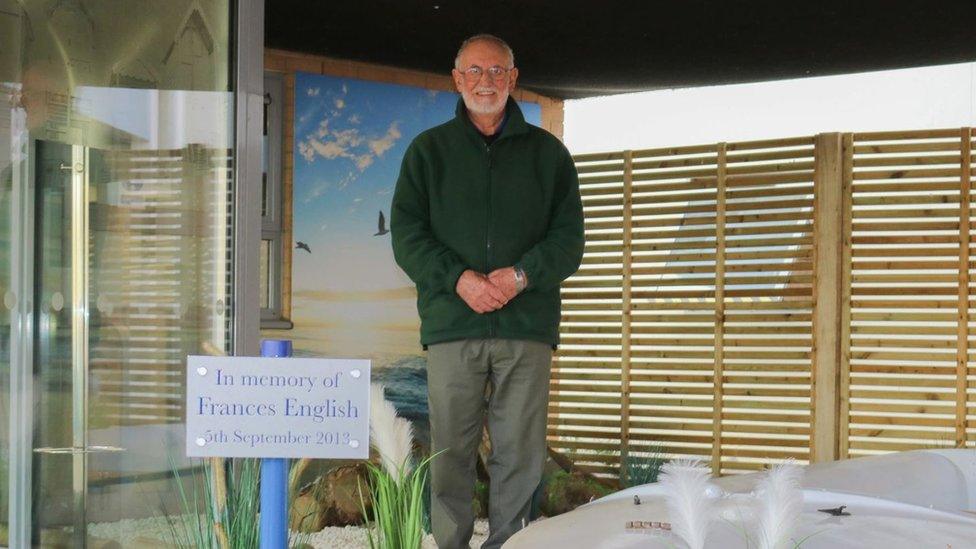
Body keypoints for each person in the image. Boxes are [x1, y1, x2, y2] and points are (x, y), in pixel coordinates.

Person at [390, 33, 584, 549]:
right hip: (453, 326)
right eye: (475, 71)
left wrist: (519, 275)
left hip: (526, 328)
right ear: (457, 79)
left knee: (519, 452)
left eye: (497, 71)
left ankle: (511, 544)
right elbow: (407, 237)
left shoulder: (549, 156)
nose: (486, 81)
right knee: (449, 451)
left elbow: (570, 242)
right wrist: (459, 279)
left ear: (513, 79)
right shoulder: (427, 152)